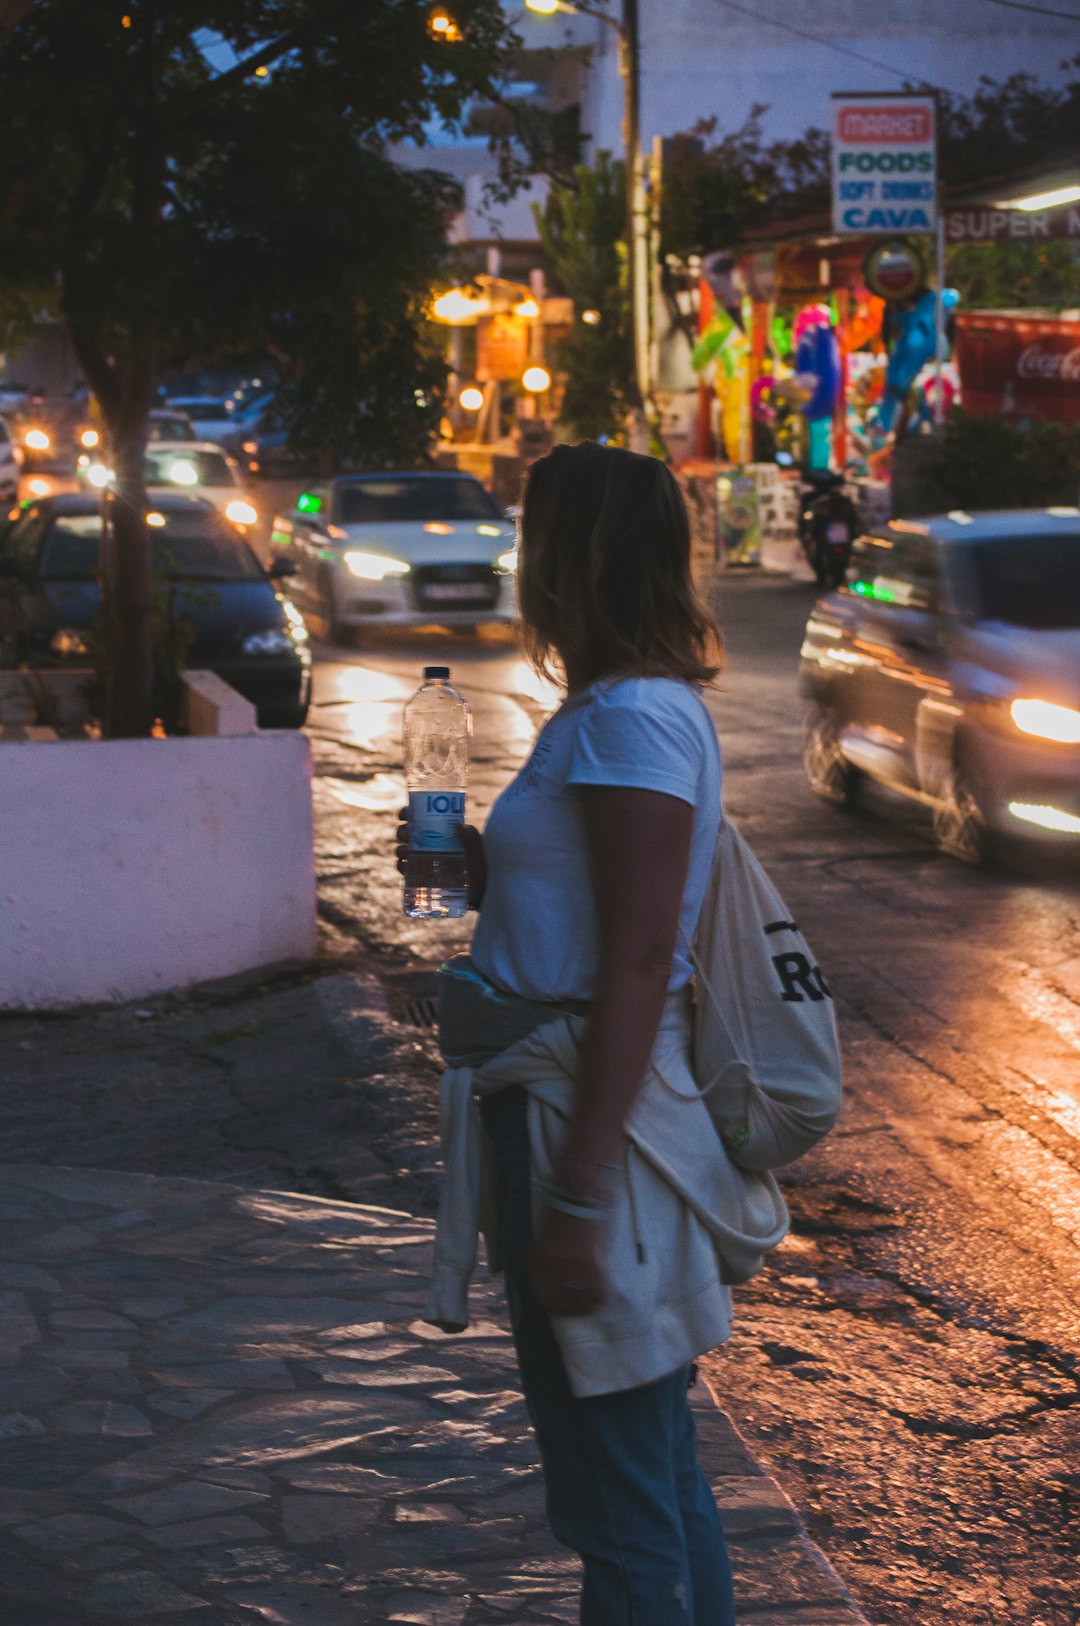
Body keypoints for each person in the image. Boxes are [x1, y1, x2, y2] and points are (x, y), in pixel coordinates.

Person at [398, 441, 774, 1626]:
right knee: (653, 1474)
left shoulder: (631, 724)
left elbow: (636, 964)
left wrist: (573, 1197)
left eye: (533, 535)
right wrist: (476, 864)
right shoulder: (613, 712)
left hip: (584, 1126)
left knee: (619, 1507)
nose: (522, 560)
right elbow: (592, 920)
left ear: (575, 558)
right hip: (569, 1111)